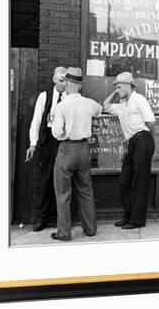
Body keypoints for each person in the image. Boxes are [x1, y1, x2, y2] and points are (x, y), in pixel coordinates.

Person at [50, 67, 102, 241]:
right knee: (86, 190)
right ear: (79, 85)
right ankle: (90, 228)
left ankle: (64, 232)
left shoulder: (62, 106)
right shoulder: (90, 103)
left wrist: (65, 134)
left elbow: (56, 133)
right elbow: (100, 110)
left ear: (68, 84)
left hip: (66, 149)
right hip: (84, 149)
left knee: (63, 193)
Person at [103, 72, 156, 230]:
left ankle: (137, 220)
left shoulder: (138, 99)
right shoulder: (122, 105)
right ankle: (127, 216)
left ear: (128, 86)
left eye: (119, 87)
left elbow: (151, 121)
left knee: (139, 183)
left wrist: (149, 142)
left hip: (142, 139)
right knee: (124, 182)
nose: (118, 90)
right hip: (132, 143)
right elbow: (105, 105)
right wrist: (115, 92)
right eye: (116, 87)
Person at [25, 66, 68, 232]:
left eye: (65, 81)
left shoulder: (69, 98)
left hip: (63, 139)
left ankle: (62, 220)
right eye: (60, 80)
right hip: (48, 140)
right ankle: (41, 219)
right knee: (45, 180)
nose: (63, 84)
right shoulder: (45, 96)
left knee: (63, 180)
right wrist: (33, 143)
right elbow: (36, 120)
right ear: (54, 80)